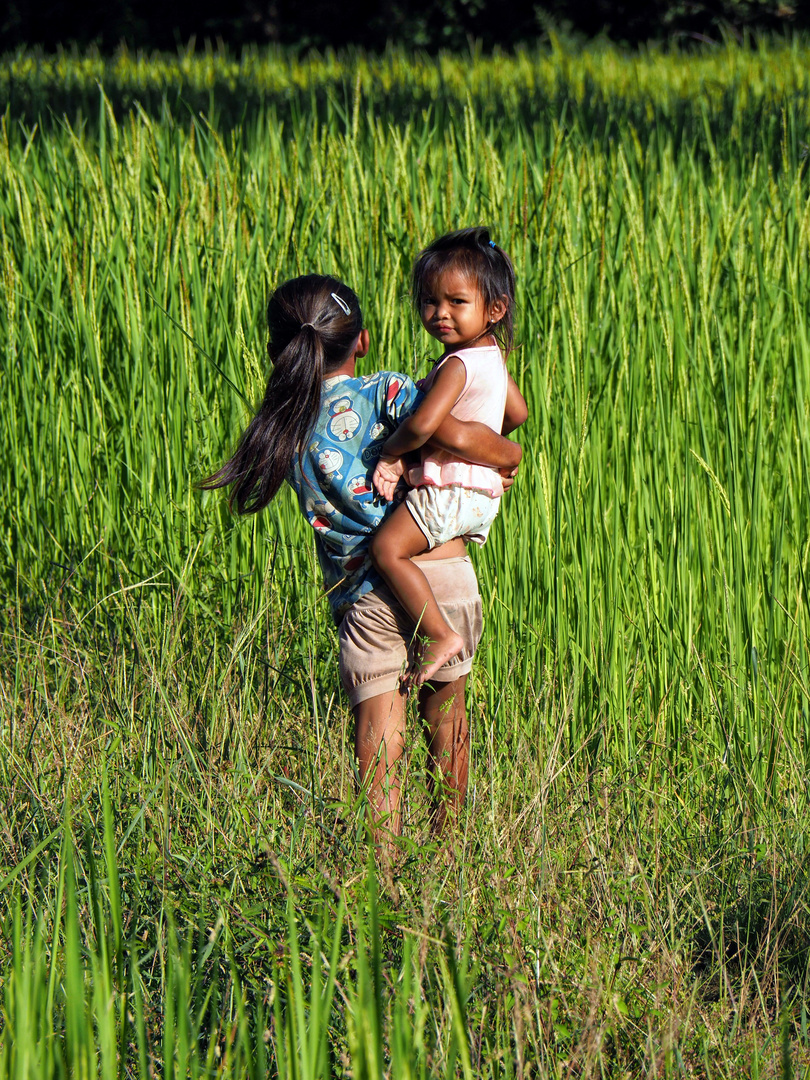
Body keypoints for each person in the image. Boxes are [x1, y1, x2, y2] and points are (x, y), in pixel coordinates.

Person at [202, 273, 521, 846]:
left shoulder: (283, 431)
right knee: (448, 731)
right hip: (440, 570)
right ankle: (452, 861)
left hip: (365, 596)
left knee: (379, 741)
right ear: (363, 341)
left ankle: (385, 882)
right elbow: (450, 429)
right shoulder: (387, 392)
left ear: (280, 353)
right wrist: (506, 454)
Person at [370, 228, 528, 685]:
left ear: (494, 309)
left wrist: (392, 455)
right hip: (482, 497)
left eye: (456, 302)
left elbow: (423, 424)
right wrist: (486, 449)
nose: (439, 314)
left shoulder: (456, 365)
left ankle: (438, 633)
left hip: (449, 491)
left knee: (387, 549)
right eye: (429, 301)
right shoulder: (492, 355)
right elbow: (516, 413)